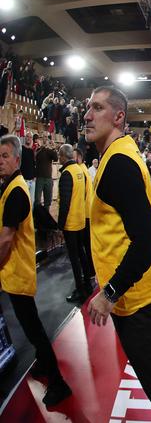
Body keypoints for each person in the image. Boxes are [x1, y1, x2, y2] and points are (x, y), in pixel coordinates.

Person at [83, 86, 151, 422]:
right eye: (87, 108)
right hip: (135, 293)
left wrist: (109, 293)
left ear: (118, 117)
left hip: (133, 299)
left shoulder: (119, 164)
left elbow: (146, 243)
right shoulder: (118, 155)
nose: (86, 115)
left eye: (97, 108)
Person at [0, 134, 72, 406]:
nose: (0, 161)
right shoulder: (11, 187)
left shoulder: (16, 190)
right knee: (32, 327)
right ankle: (44, 364)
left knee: (33, 329)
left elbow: (7, 239)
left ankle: (58, 383)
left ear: (18, 159)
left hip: (16, 273)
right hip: (14, 271)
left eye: (5, 156)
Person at [57, 144, 93, 303]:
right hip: (80, 219)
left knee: (74, 258)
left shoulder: (66, 174)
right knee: (82, 254)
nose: (58, 158)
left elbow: (64, 203)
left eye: (59, 155)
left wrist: (60, 225)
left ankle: (80, 289)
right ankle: (87, 284)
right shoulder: (80, 170)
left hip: (70, 223)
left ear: (64, 156)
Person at [74, 147, 95, 279]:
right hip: (87, 212)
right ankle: (91, 270)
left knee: (84, 245)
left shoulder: (80, 171)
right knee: (87, 245)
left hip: (84, 213)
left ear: (79, 157)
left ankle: (89, 272)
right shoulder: (85, 170)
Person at [34, 137, 57, 209]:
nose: (44, 140)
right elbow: (35, 158)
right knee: (37, 200)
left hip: (48, 178)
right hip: (39, 178)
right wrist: (41, 148)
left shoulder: (49, 151)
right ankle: (37, 217)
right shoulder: (38, 150)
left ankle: (46, 217)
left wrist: (53, 148)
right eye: (43, 138)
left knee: (48, 201)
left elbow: (56, 158)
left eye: (46, 139)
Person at [20, 132, 36, 202]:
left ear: (32, 139)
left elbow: (33, 164)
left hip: (32, 182)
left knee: (31, 203)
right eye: (27, 136)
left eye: (30, 137)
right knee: (23, 202)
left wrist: (34, 177)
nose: (28, 138)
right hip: (24, 180)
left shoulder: (32, 151)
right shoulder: (21, 149)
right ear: (25, 138)